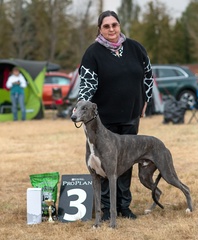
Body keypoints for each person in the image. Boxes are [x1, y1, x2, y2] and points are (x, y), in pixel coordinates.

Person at [77, 10, 153, 221]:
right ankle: (105, 207)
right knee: (102, 164)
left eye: (114, 25)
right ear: (100, 29)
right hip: (103, 121)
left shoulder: (135, 48)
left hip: (130, 115)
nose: (111, 29)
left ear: (119, 26)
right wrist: (80, 108)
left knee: (126, 162)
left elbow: (147, 74)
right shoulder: (93, 53)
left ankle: (124, 206)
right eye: (106, 26)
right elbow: (87, 84)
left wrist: (146, 100)